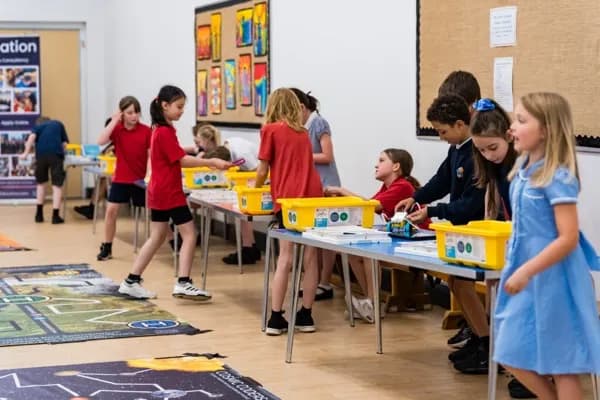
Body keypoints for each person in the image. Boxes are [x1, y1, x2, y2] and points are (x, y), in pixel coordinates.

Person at [494, 92, 600, 400]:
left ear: (547, 130)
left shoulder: (557, 177)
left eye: (521, 120)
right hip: (527, 273)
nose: (512, 127)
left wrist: (527, 271)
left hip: (555, 278)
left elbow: (567, 237)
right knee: (509, 350)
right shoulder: (522, 174)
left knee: (561, 361)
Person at [395, 94, 488, 371]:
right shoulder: (456, 149)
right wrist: (417, 197)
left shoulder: (477, 152)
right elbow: (441, 181)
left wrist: (434, 212)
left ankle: (486, 341)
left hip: (478, 229)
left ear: (461, 124)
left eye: (442, 131)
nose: (440, 137)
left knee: (463, 283)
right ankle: (479, 336)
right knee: (456, 282)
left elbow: (473, 203)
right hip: (461, 231)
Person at [117, 85, 231, 300]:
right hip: (168, 191)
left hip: (158, 191)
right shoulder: (164, 132)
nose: (181, 111)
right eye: (178, 107)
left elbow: (177, 156)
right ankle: (184, 282)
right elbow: (182, 160)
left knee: (158, 235)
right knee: (190, 234)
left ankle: (131, 280)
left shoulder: (160, 130)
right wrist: (210, 161)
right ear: (164, 105)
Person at [326, 148, 425, 322]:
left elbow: (370, 205)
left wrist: (342, 190)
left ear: (395, 166)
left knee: (370, 252)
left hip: (418, 238)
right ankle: (371, 301)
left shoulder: (402, 186)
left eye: (381, 160)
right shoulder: (387, 186)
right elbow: (368, 203)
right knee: (353, 253)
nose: (376, 165)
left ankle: (372, 302)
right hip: (401, 236)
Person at [257, 88, 323, 335]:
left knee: (285, 257)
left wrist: (255, 186)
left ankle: (276, 318)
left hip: (289, 200)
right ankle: (306, 314)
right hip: (312, 198)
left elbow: (263, 169)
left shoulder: (269, 130)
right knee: (311, 257)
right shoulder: (303, 132)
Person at [291, 88, 341, 301]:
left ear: (302, 108)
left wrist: (300, 156)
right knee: (314, 239)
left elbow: (327, 155)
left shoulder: (318, 123)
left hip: (327, 186)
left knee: (327, 240)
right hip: (313, 187)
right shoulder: (302, 128)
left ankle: (325, 282)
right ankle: (316, 281)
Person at [193, 123, 262, 265]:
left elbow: (258, 171)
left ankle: (248, 248)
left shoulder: (242, 153)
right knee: (240, 210)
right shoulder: (228, 146)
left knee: (242, 210)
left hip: (261, 178)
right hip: (250, 176)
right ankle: (249, 247)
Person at [96, 96, 151, 261]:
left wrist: (149, 175)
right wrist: (114, 120)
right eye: (129, 113)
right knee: (111, 211)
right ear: (122, 114)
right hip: (121, 178)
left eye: (136, 112)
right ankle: (107, 246)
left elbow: (150, 156)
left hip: (140, 180)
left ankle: (171, 242)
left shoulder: (146, 131)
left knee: (155, 213)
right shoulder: (117, 129)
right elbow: (101, 141)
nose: (134, 116)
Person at [19, 116, 69, 224]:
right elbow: (64, 144)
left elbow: (31, 137)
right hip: (56, 155)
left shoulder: (38, 127)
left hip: (41, 156)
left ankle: (39, 215)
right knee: (57, 186)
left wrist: (25, 153)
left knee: (41, 184)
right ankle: (55, 217)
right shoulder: (58, 123)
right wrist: (64, 153)